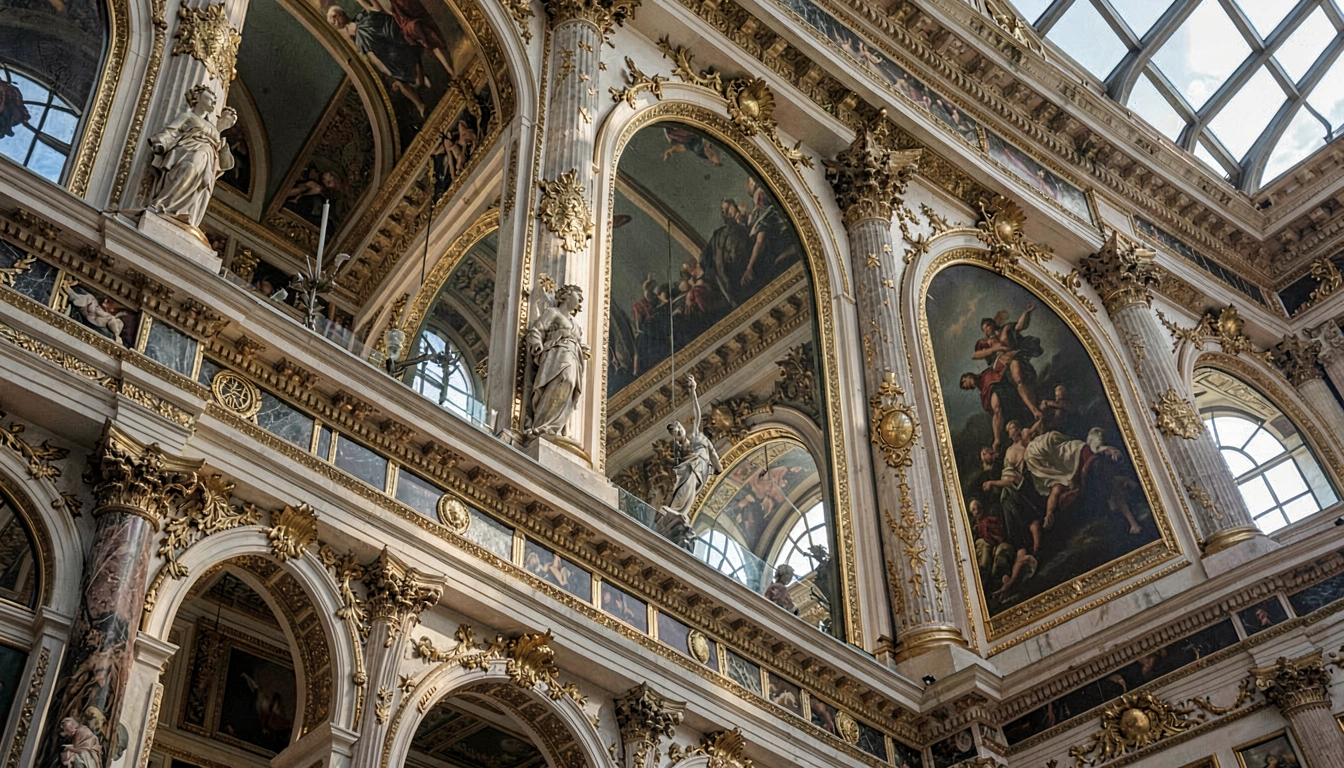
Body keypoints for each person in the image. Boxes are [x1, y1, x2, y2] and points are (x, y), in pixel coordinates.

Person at [147, 85, 236, 229]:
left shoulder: (213, 127)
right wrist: (160, 143)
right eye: (211, 97)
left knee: (202, 184)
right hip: (188, 151)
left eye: (215, 100)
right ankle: (165, 206)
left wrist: (222, 126)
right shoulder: (188, 116)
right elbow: (171, 131)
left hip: (208, 159)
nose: (214, 101)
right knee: (189, 169)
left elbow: (223, 157)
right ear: (198, 98)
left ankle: (185, 215)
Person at [962, 302, 1043, 451]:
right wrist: (996, 348)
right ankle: (998, 439)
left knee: (1018, 378)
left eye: (987, 327)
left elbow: (1020, 326)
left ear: (993, 324)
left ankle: (1034, 410)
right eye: (984, 329)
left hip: (1013, 358)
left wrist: (1027, 312)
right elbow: (976, 355)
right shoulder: (987, 343)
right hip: (999, 370)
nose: (986, 330)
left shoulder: (1006, 329)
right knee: (998, 405)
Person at [328, 4, 429, 117]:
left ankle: (420, 86)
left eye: (336, 17)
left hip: (391, 49)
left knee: (414, 71)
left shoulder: (362, 17)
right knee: (401, 81)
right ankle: (420, 106)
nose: (336, 22)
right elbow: (364, 52)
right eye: (333, 22)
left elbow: (380, 19)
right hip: (383, 59)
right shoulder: (350, 36)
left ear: (342, 13)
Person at [524, 285, 590, 438]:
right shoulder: (554, 313)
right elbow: (537, 330)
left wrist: (582, 348)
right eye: (578, 297)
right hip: (558, 353)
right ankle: (542, 423)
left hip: (573, 355)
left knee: (570, 385)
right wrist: (537, 343)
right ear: (566, 295)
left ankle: (556, 427)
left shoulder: (577, 326)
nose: (580, 302)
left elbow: (577, 341)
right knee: (562, 379)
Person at [660, 376, 722, 526]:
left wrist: (693, 391)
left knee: (691, 492)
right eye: (676, 432)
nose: (679, 432)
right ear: (674, 436)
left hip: (701, 467)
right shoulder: (679, 449)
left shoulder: (694, 437)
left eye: (679, 428)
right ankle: (674, 511)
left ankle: (679, 513)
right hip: (689, 470)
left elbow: (697, 415)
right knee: (685, 490)